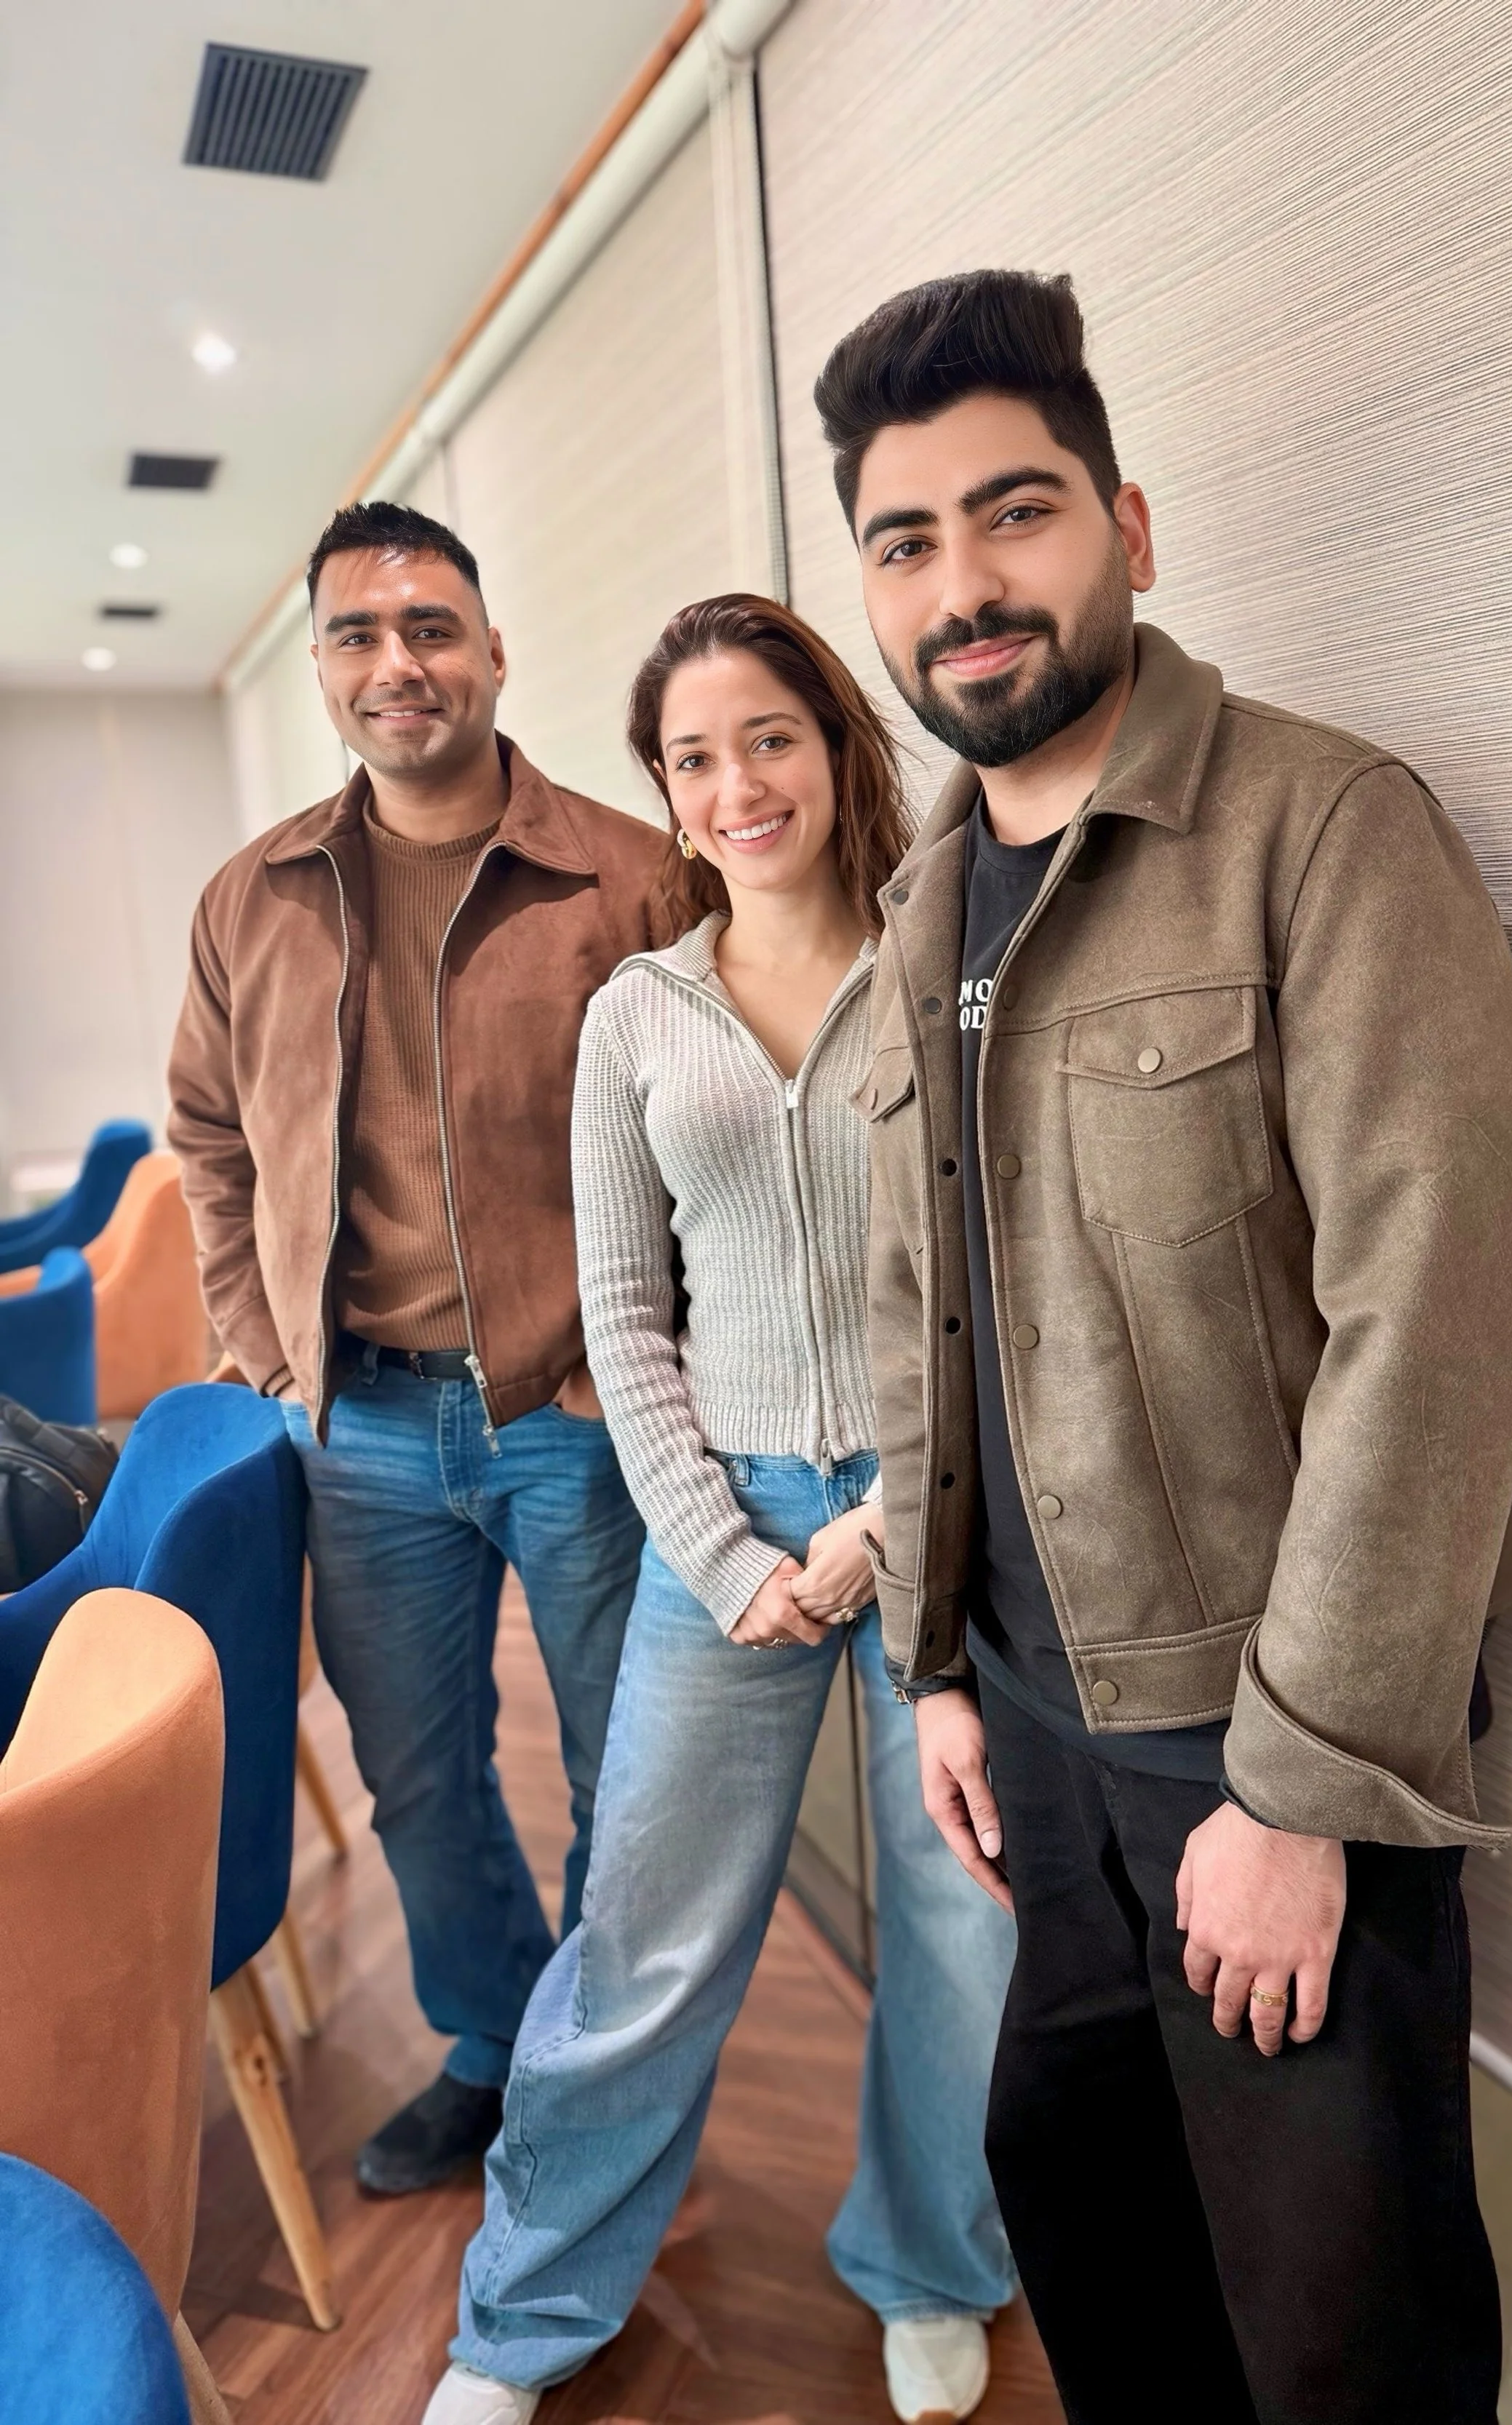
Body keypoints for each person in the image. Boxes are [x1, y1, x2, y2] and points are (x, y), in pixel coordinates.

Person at [817, 270, 1512, 2424]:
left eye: (1011, 511)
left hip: (1261, 1737)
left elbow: (1432, 1316)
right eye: (904, 538)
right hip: (1033, 1747)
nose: (965, 584)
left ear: (1127, 523)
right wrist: (930, 1663)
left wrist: (1298, 1784)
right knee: (1100, 2240)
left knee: (1344, 2334)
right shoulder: (914, 919)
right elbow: (907, 1321)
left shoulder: (1320, 833)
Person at [425, 595, 1016, 2425]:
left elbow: (999, 1278)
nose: (737, 781)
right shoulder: (635, 1015)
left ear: (840, 748)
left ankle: (931, 2265)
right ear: (668, 802)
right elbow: (622, 1313)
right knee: (646, 1938)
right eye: (694, 756)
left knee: (962, 1926)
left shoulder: (951, 966)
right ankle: (513, 2328)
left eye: (769, 734)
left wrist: (879, 1531)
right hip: (723, 1523)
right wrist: (724, 1547)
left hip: (936, 1516)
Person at [167, 501, 667, 2197]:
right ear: (320, 666)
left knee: (633, 1775)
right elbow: (206, 1133)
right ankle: (493, 2039)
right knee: (416, 1785)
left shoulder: (627, 872)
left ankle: (603, 2075)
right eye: (359, 636)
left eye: (432, 627)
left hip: (585, 1416)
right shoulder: (255, 899)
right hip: (363, 1429)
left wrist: (656, 1366)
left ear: (493, 650)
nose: (401, 664)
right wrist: (254, 1336)